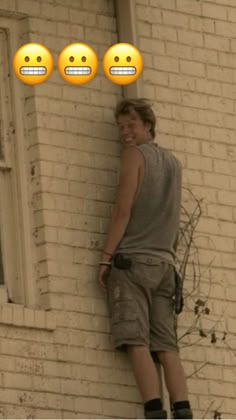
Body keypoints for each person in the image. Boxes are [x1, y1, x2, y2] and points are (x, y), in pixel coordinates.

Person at [97, 98, 193, 419]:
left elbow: (122, 211)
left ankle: (154, 413)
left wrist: (106, 258)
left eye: (131, 125)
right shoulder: (173, 164)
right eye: (121, 127)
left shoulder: (134, 156)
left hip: (133, 262)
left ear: (148, 126)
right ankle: (183, 412)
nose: (125, 133)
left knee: (136, 340)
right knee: (166, 346)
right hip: (165, 265)